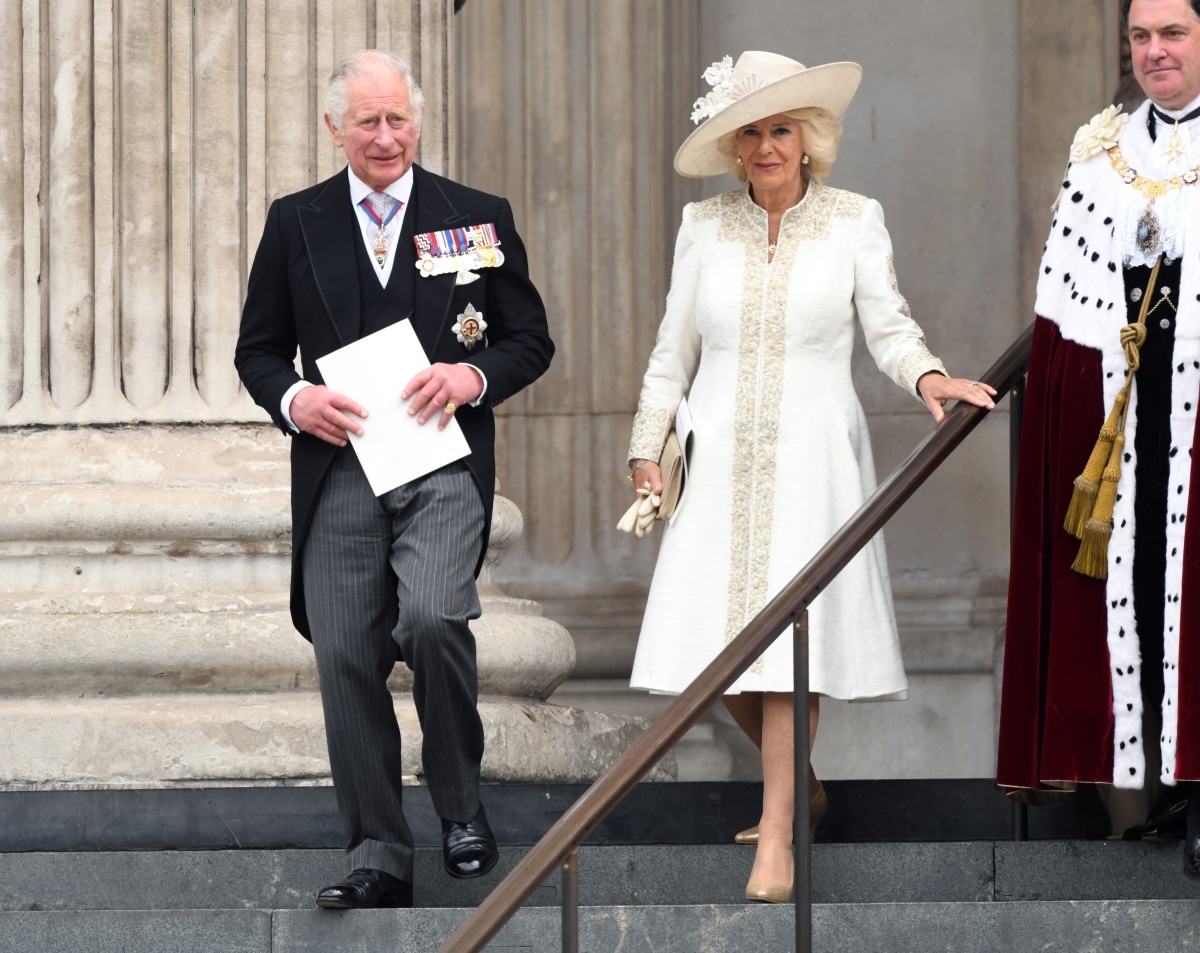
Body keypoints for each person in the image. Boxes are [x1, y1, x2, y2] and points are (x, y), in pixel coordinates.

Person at [624, 51, 994, 904]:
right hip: (714, 451)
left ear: (810, 137)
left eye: (780, 128)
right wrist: (648, 444)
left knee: (792, 642)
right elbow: (670, 351)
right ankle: (803, 786)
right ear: (732, 144)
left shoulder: (856, 218)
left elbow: (889, 327)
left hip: (815, 454)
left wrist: (930, 376)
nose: (765, 146)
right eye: (749, 131)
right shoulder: (701, 227)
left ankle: (781, 832)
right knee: (716, 654)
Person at [234, 50, 554, 908]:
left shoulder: (475, 217)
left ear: (418, 120)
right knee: (343, 656)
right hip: (340, 468)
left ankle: (459, 804)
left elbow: (529, 338)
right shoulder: (295, 220)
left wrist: (471, 377)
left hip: (441, 462)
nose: (386, 136)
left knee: (435, 614)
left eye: (399, 119)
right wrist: (295, 397)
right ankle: (379, 851)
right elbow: (258, 349)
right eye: (367, 121)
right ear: (335, 128)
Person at [997, 0, 1200, 870]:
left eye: (1174, 34)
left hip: (1197, 414)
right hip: (1124, 422)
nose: (1155, 52)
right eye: (1142, 37)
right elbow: (1061, 319)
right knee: (1144, 604)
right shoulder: (1100, 160)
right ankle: (1166, 795)